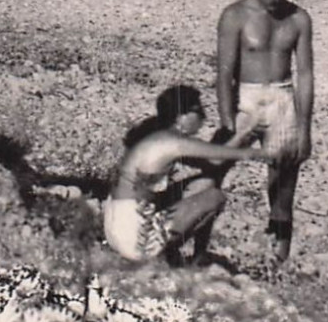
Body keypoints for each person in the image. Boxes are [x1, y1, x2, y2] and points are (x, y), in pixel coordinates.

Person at [216, 0, 315, 262]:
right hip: (247, 96)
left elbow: (306, 74)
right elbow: (224, 72)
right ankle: (192, 246)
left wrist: (304, 128)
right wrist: (226, 118)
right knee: (214, 168)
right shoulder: (235, 15)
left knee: (283, 187)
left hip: (283, 99)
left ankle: (277, 260)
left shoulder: (299, 18)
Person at [104, 84, 272, 264]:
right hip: (135, 241)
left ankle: (186, 254)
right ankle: (187, 258)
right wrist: (253, 135)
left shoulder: (157, 135)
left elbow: (209, 162)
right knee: (215, 196)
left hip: (115, 228)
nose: (203, 118)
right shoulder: (175, 142)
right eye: (199, 112)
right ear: (181, 116)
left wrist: (240, 134)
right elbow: (221, 158)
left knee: (204, 183)